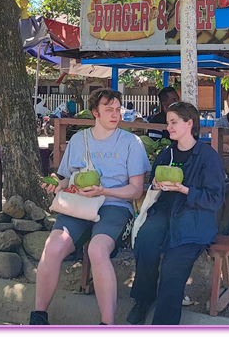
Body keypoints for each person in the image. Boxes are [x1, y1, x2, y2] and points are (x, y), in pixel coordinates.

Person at [30, 88, 149, 326]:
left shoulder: (131, 142)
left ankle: (107, 324)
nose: (115, 115)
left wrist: (104, 191)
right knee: (52, 247)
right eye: (109, 110)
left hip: (115, 206)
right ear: (95, 113)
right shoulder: (78, 139)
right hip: (79, 204)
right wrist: (57, 185)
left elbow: (136, 190)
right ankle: (39, 317)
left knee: (97, 250)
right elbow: (65, 178)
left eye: (117, 109)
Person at [128, 101, 225, 325]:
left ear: (189, 123)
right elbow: (153, 184)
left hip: (194, 217)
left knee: (172, 267)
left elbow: (215, 199)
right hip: (165, 212)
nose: (169, 127)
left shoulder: (207, 157)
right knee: (145, 241)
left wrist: (185, 190)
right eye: (168, 122)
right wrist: (155, 186)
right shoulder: (166, 154)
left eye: (174, 122)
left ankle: (163, 324)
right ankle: (143, 298)